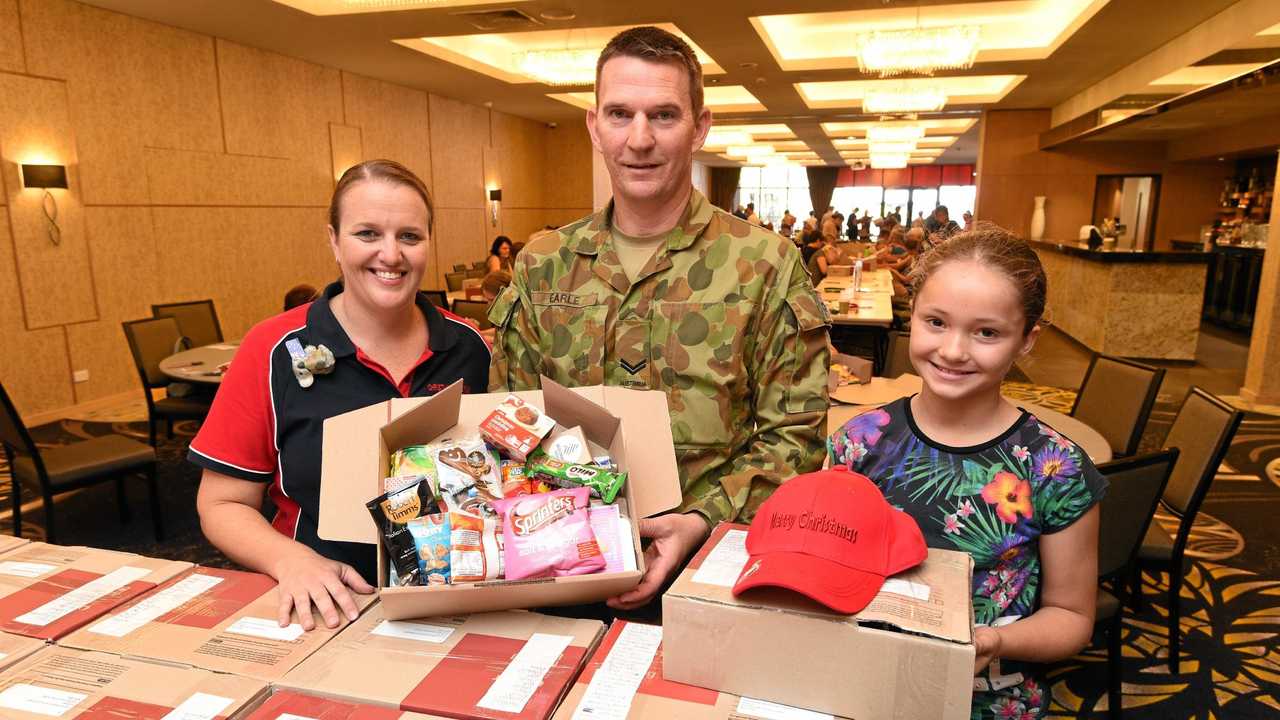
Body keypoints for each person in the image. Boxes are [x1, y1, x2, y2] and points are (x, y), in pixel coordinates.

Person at [488, 26, 830, 614]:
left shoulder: (764, 265)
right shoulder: (544, 264)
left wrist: (699, 520)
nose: (639, 139)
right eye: (620, 114)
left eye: (664, 115)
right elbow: (508, 420)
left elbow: (794, 439)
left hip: (713, 569)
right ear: (595, 126)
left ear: (700, 127)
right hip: (555, 561)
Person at [191, 160, 491, 630]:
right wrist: (292, 561)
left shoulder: (470, 349)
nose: (390, 255)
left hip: (458, 597)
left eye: (409, 237)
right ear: (333, 239)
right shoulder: (271, 350)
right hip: (325, 602)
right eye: (367, 234)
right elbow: (221, 504)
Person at [828, 224, 1103, 719]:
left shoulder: (1055, 468)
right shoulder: (858, 442)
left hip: (984, 699)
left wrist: (994, 640)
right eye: (936, 322)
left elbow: (1072, 616)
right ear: (910, 316)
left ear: (1026, 340)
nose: (953, 351)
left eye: (987, 332)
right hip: (861, 681)